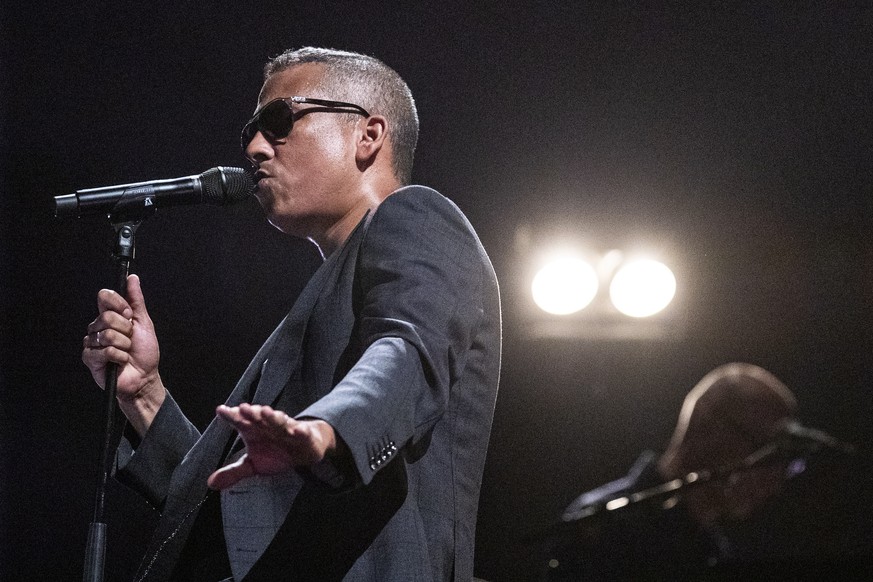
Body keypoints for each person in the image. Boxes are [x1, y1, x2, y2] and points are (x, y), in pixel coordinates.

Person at [81, 47, 501, 582]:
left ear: (368, 135)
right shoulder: (318, 305)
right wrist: (144, 395)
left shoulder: (416, 215)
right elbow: (233, 507)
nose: (255, 147)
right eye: (250, 133)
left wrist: (328, 430)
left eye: (280, 121)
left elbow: (407, 353)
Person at [544, 363, 802, 581]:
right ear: (708, 427)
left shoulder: (712, 548)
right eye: (767, 453)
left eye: (784, 464)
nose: (775, 479)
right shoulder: (602, 525)